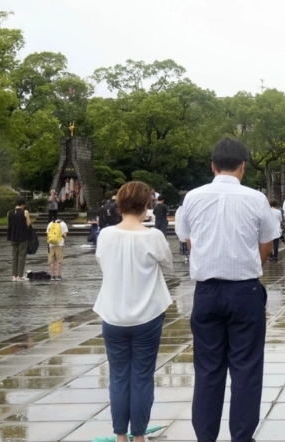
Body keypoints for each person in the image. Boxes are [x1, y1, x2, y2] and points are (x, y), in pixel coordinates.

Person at [175, 138, 278, 442]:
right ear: (243, 167)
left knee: (208, 369)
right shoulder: (256, 199)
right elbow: (267, 246)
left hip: (206, 292)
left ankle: (205, 437)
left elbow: (188, 238)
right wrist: (245, 265)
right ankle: (242, 437)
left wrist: (209, 256)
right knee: (246, 369)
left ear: (213, 166)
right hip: (245, 291)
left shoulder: (192, 197)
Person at [94, 181, 173, 442]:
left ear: (119, 204)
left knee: (118, 376)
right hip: (147, 315)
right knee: (141, 375)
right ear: (146, 205)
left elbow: (102, 263)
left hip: (113, 314)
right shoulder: (154, 237)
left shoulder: (105, 235)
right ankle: (138, 435)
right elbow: (168, 265)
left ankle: (120, 435)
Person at [7, 197, 32, 281]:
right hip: (22, 236)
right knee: (22, 256)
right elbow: (28, 223)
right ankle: (20, 276)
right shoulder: (25, 212)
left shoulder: (9, 213)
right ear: (22, 204)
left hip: (13, 237)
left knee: (14, 256)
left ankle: (14, 276)